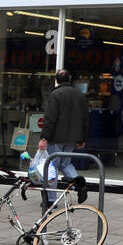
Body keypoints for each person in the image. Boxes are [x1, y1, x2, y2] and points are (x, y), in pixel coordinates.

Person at [38, 68, 88, 206]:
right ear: (70, 79)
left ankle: (51, 199)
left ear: (57, 80)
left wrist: (44, 138)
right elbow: (85, 118)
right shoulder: (79, 95)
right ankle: (79, 184)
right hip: (73, 138)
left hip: (56, 138)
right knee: (66, 163)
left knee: (52, 166)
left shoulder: (55, 94)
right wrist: (82, 138)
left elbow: (50, 119)